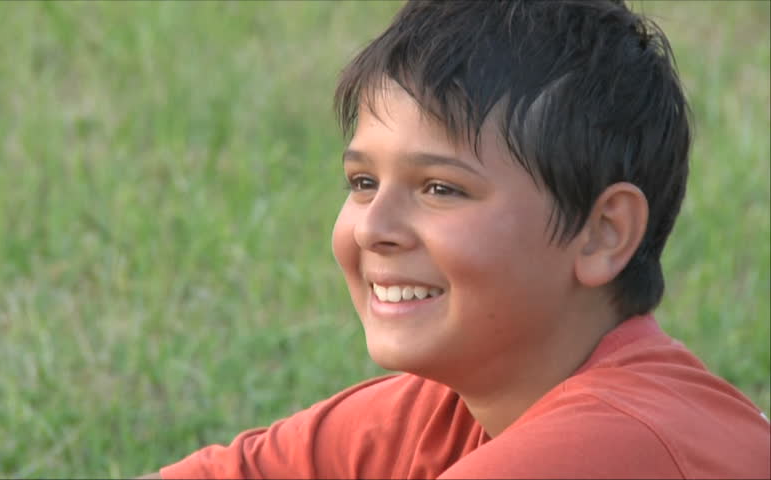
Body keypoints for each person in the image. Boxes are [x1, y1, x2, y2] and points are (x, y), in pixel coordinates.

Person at [141, 1, 771, 478]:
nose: (373, 227)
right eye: (362, 182)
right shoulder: (442, 411)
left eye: (440, 189)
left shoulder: (617, 444)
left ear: (602, 234)